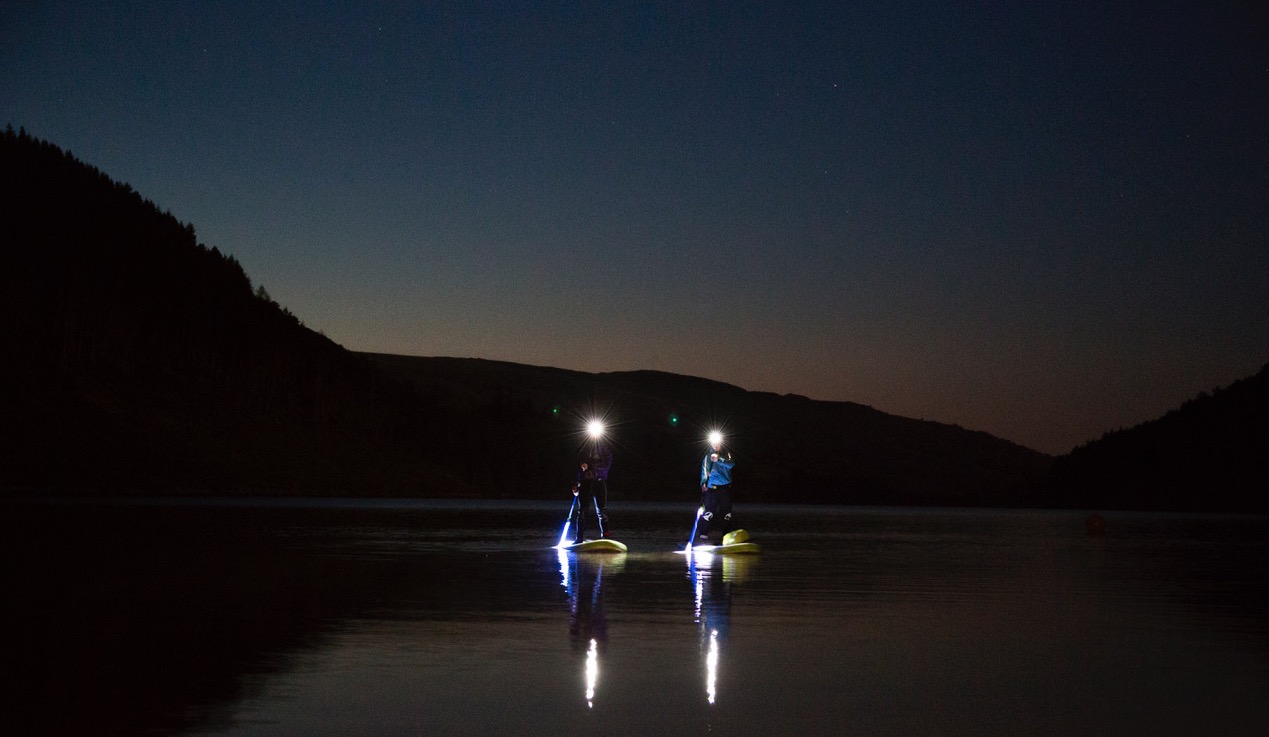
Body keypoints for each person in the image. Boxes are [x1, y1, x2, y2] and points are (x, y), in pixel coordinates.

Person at [571, 424, 613, 542]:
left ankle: (606, 536)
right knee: (582, 511)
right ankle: (579, 539)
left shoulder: (606, 451)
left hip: (599, 483)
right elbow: (577, 468)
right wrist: (575, 483)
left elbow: (606, 468)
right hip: (585, 484)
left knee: (602, 511)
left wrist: (592, 469)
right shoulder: (583, 449)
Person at [697, 431, 735, 540]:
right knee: (709, 513)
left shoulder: (727, 454)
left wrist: (719, 459)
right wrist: (703, 483)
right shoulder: (708, 457)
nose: (715, 446)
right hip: (712, 489)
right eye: (713, 444)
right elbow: (704, 471)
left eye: (717, 443)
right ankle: (702, 536)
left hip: (725, 489)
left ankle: (727, 537)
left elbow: (731, 464)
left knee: (726, 514)